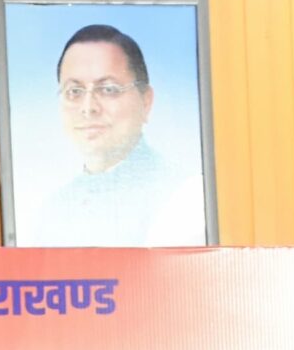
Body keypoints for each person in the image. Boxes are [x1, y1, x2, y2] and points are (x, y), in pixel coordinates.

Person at [27, 25, 206, 247]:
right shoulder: (50, 212)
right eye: (74, 92)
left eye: (108, 89)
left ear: (146, 101)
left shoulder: (187, 197)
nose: (88, 108)